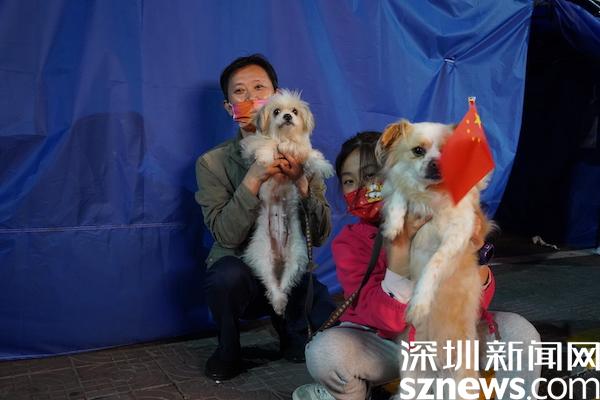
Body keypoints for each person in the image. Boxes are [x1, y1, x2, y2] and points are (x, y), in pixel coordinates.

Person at [292, 131, 542, 400]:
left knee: (519, 332)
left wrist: (475, 255)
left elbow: (475, 303)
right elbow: (388, 320)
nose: (363, 189)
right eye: (349, 181)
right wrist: (400, 250)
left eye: (371, 175)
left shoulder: (438, 216)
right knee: (325, 353)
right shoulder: (351, 242)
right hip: (386, 343)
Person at [195, 54, 335, 381]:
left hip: (289, 265)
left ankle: (292, 333)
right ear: (229, 107)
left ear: (276, 96)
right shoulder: (211, 163)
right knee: (225, 275)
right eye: (239, 92)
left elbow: (320, 233)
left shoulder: (304, 156)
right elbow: (226, 236)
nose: (250, 98)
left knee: (309, 286)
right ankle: (228, 348)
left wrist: (302, 184)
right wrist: (253, 179)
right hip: (241, 268)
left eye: (259, 88)